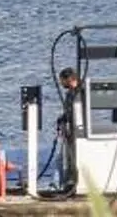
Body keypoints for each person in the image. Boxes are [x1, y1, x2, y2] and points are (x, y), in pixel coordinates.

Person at [40, 64, 82, 192]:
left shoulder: (78, 93)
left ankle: (58, 183)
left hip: (75, 132)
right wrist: (62, 119)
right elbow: (70, 111)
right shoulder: (71, 93)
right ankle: (62, 182)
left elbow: (76, 112)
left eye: (62, 81)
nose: (61, 84)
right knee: (63, 158)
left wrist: (65, 119)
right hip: (70, 131)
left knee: (63, 158)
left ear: (69, 79)